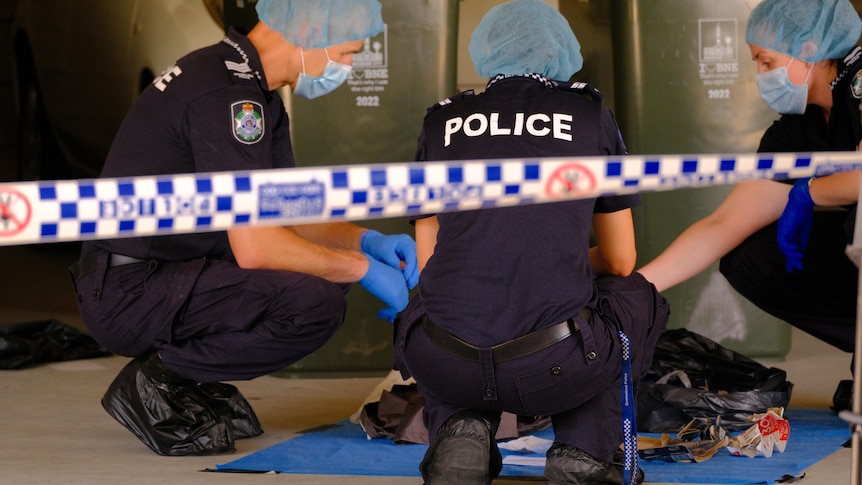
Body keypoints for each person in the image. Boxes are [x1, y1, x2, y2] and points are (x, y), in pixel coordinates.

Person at [68, 0, 419, 455]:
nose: (349, 66)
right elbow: (256, 247)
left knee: (322, 278)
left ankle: (186, 375)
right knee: (314, 301)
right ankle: (160, 378)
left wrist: (366, 242)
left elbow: (285, 211)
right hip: (131, 289)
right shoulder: (228, 96)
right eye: (348, 52)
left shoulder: (249, 88)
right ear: (312, 27)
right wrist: (361, 269)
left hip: (159, 274)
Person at [391, 1, 670, 484]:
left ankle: (459, 429)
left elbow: (430, 260)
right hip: (553, 363)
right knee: (632, 295)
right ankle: (584, 451)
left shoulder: (441, 120)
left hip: (445, 361)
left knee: (432, 300)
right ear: (560, 48)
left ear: (487, 52)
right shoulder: (587, 114)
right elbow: (621, 260)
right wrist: (554, 261)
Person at [638, 0, 861, 405]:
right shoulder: (795, 132)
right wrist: (636, 289)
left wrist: (807, 191)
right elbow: (723, 225)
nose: (760, 75)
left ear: (808, 48)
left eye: (765, 60)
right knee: (750, 256)